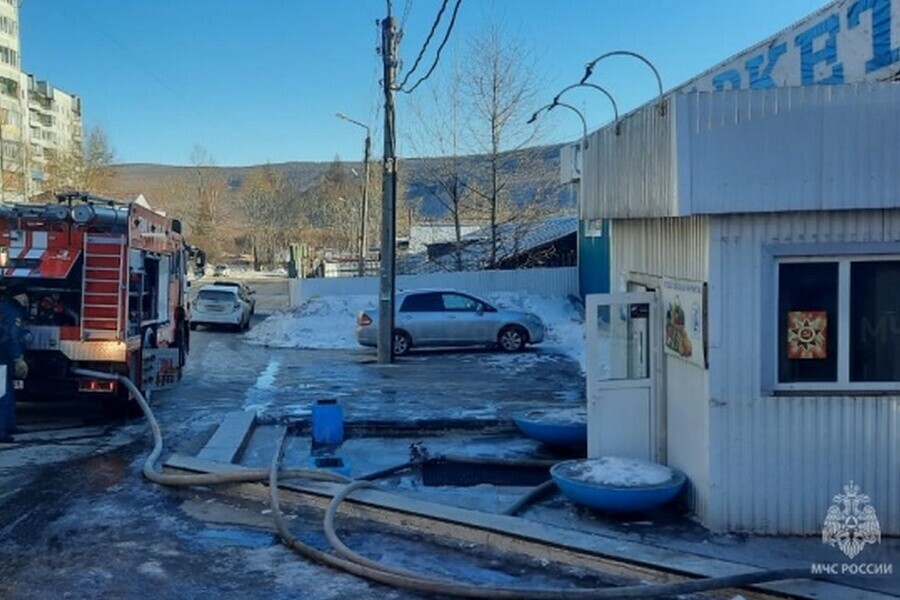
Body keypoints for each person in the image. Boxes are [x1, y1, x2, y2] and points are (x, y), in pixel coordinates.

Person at [0, 287, 29, 441]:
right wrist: (17, 357)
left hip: (4, 358)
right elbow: (10, 337)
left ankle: (9, 426)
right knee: (2, 396)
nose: (26, 299)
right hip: (2, 358)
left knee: (8, 392)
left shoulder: (6, 308)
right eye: (24, 295)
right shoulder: (12, 312)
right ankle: (1, 431)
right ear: (17, 295)